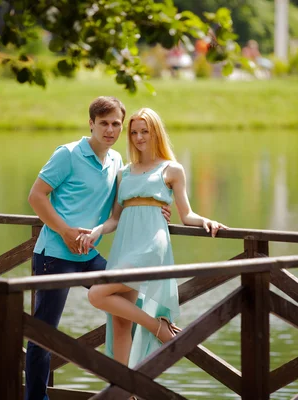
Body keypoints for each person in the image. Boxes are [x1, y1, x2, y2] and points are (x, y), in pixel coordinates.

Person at [25, 97, 170, 400]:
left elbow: (125, 204)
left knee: (125, 307)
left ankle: (123, 389)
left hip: (90, 257)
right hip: (54, 256)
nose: (110, 129)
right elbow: (36, 196)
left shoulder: (117, 162)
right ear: (91, 123)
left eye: (116, 123)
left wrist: (157, 209)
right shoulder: (68, 155)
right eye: (103, 123)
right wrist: (64, 232)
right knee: (43, 335)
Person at [82, 108, 228, 371]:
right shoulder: (124, 173)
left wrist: (206, 221)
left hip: (151, 245)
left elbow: (187, 214)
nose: (139, 137)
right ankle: (124, 391)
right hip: (124, 246)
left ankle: (156, 326)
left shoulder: (171, 169)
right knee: (120, 323)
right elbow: (115, 218)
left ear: (155, 132)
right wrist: (97, 230)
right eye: (135, 132)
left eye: (145, 131)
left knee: (96, 294)